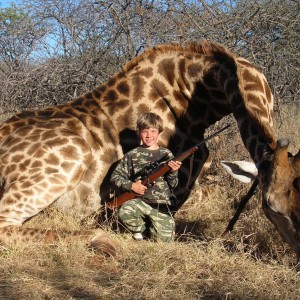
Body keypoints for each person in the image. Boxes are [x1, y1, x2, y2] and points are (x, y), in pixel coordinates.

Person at [110, 112, 182, 242]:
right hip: (140, 202)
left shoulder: (166, 154)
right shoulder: (132, 154)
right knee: (125, 210)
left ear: (159, 132)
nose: (149, 135)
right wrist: (132, 186)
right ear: (139, 133)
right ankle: (140, 232)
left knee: (164, 244)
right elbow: (116, 177)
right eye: (145, 131)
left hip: (161, 206)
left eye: (153, 131)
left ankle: (154, 230)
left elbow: (173, 184)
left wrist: (173, 172)